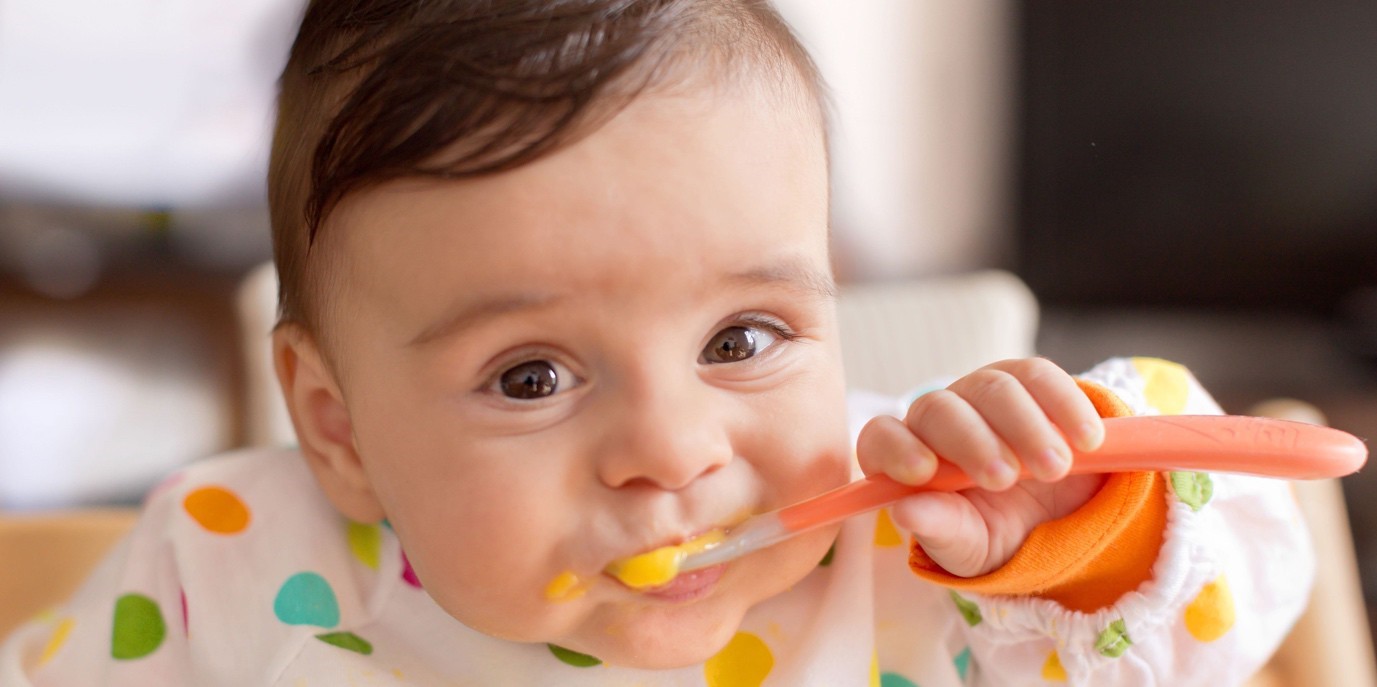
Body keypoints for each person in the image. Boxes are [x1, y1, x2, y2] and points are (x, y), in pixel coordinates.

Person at [0, 1, 1311, 684]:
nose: (671, 453)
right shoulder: (225, 568)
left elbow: (1228, 613)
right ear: (337, 429)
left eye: (743, 337)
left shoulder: (930, 546)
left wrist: (1075, 535)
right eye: (531, 375)